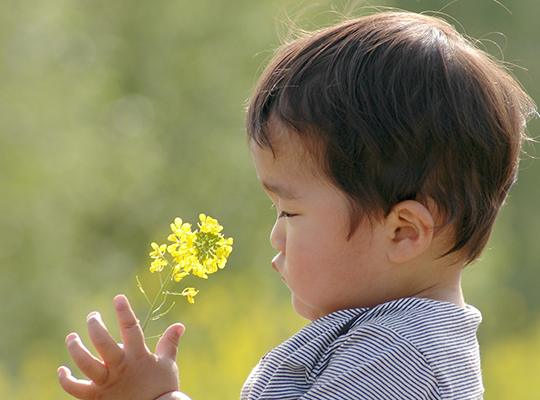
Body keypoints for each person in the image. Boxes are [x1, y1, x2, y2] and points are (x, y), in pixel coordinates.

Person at [58, 11, 536, 400]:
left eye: (288, 211)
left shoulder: (400, 355)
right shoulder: (386, 339)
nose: (276, 235)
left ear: (403, 232)